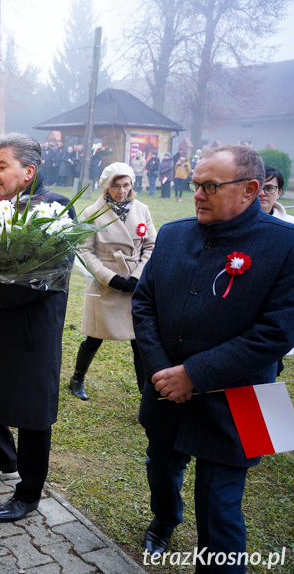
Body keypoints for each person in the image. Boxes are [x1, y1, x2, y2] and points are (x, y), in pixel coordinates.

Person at [132, 145, 294, 569]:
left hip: (246, 394)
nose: (198, 195)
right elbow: (143, 304)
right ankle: (164, 520)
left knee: (220, 509)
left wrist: (195, 374)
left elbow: (277, 332)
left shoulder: (287, 245)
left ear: (250, 190)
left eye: (209, 186)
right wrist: (163, 372)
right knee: (161, 470)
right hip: (166, 387)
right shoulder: (172, 233)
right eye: (195, 185)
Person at [0, 133, 75, 523]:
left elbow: (48, 277)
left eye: (1, 166)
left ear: (29, 171)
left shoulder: (55, 211)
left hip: (31, 330)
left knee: (30, 410)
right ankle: (0, 455)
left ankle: (28, 491)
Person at [68, 163, 156, 401]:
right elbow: (85, 251)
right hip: (104, 283)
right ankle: (77, 378)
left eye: (126, 185)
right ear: (106, 187)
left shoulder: (142, 209)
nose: (122, 191)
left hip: (135, 284)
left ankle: (144, 389)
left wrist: (138, 275)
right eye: (116, 186)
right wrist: (110, 278)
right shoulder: (91, 213)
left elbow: (151, 245)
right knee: (95, 336)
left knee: (138, 339)